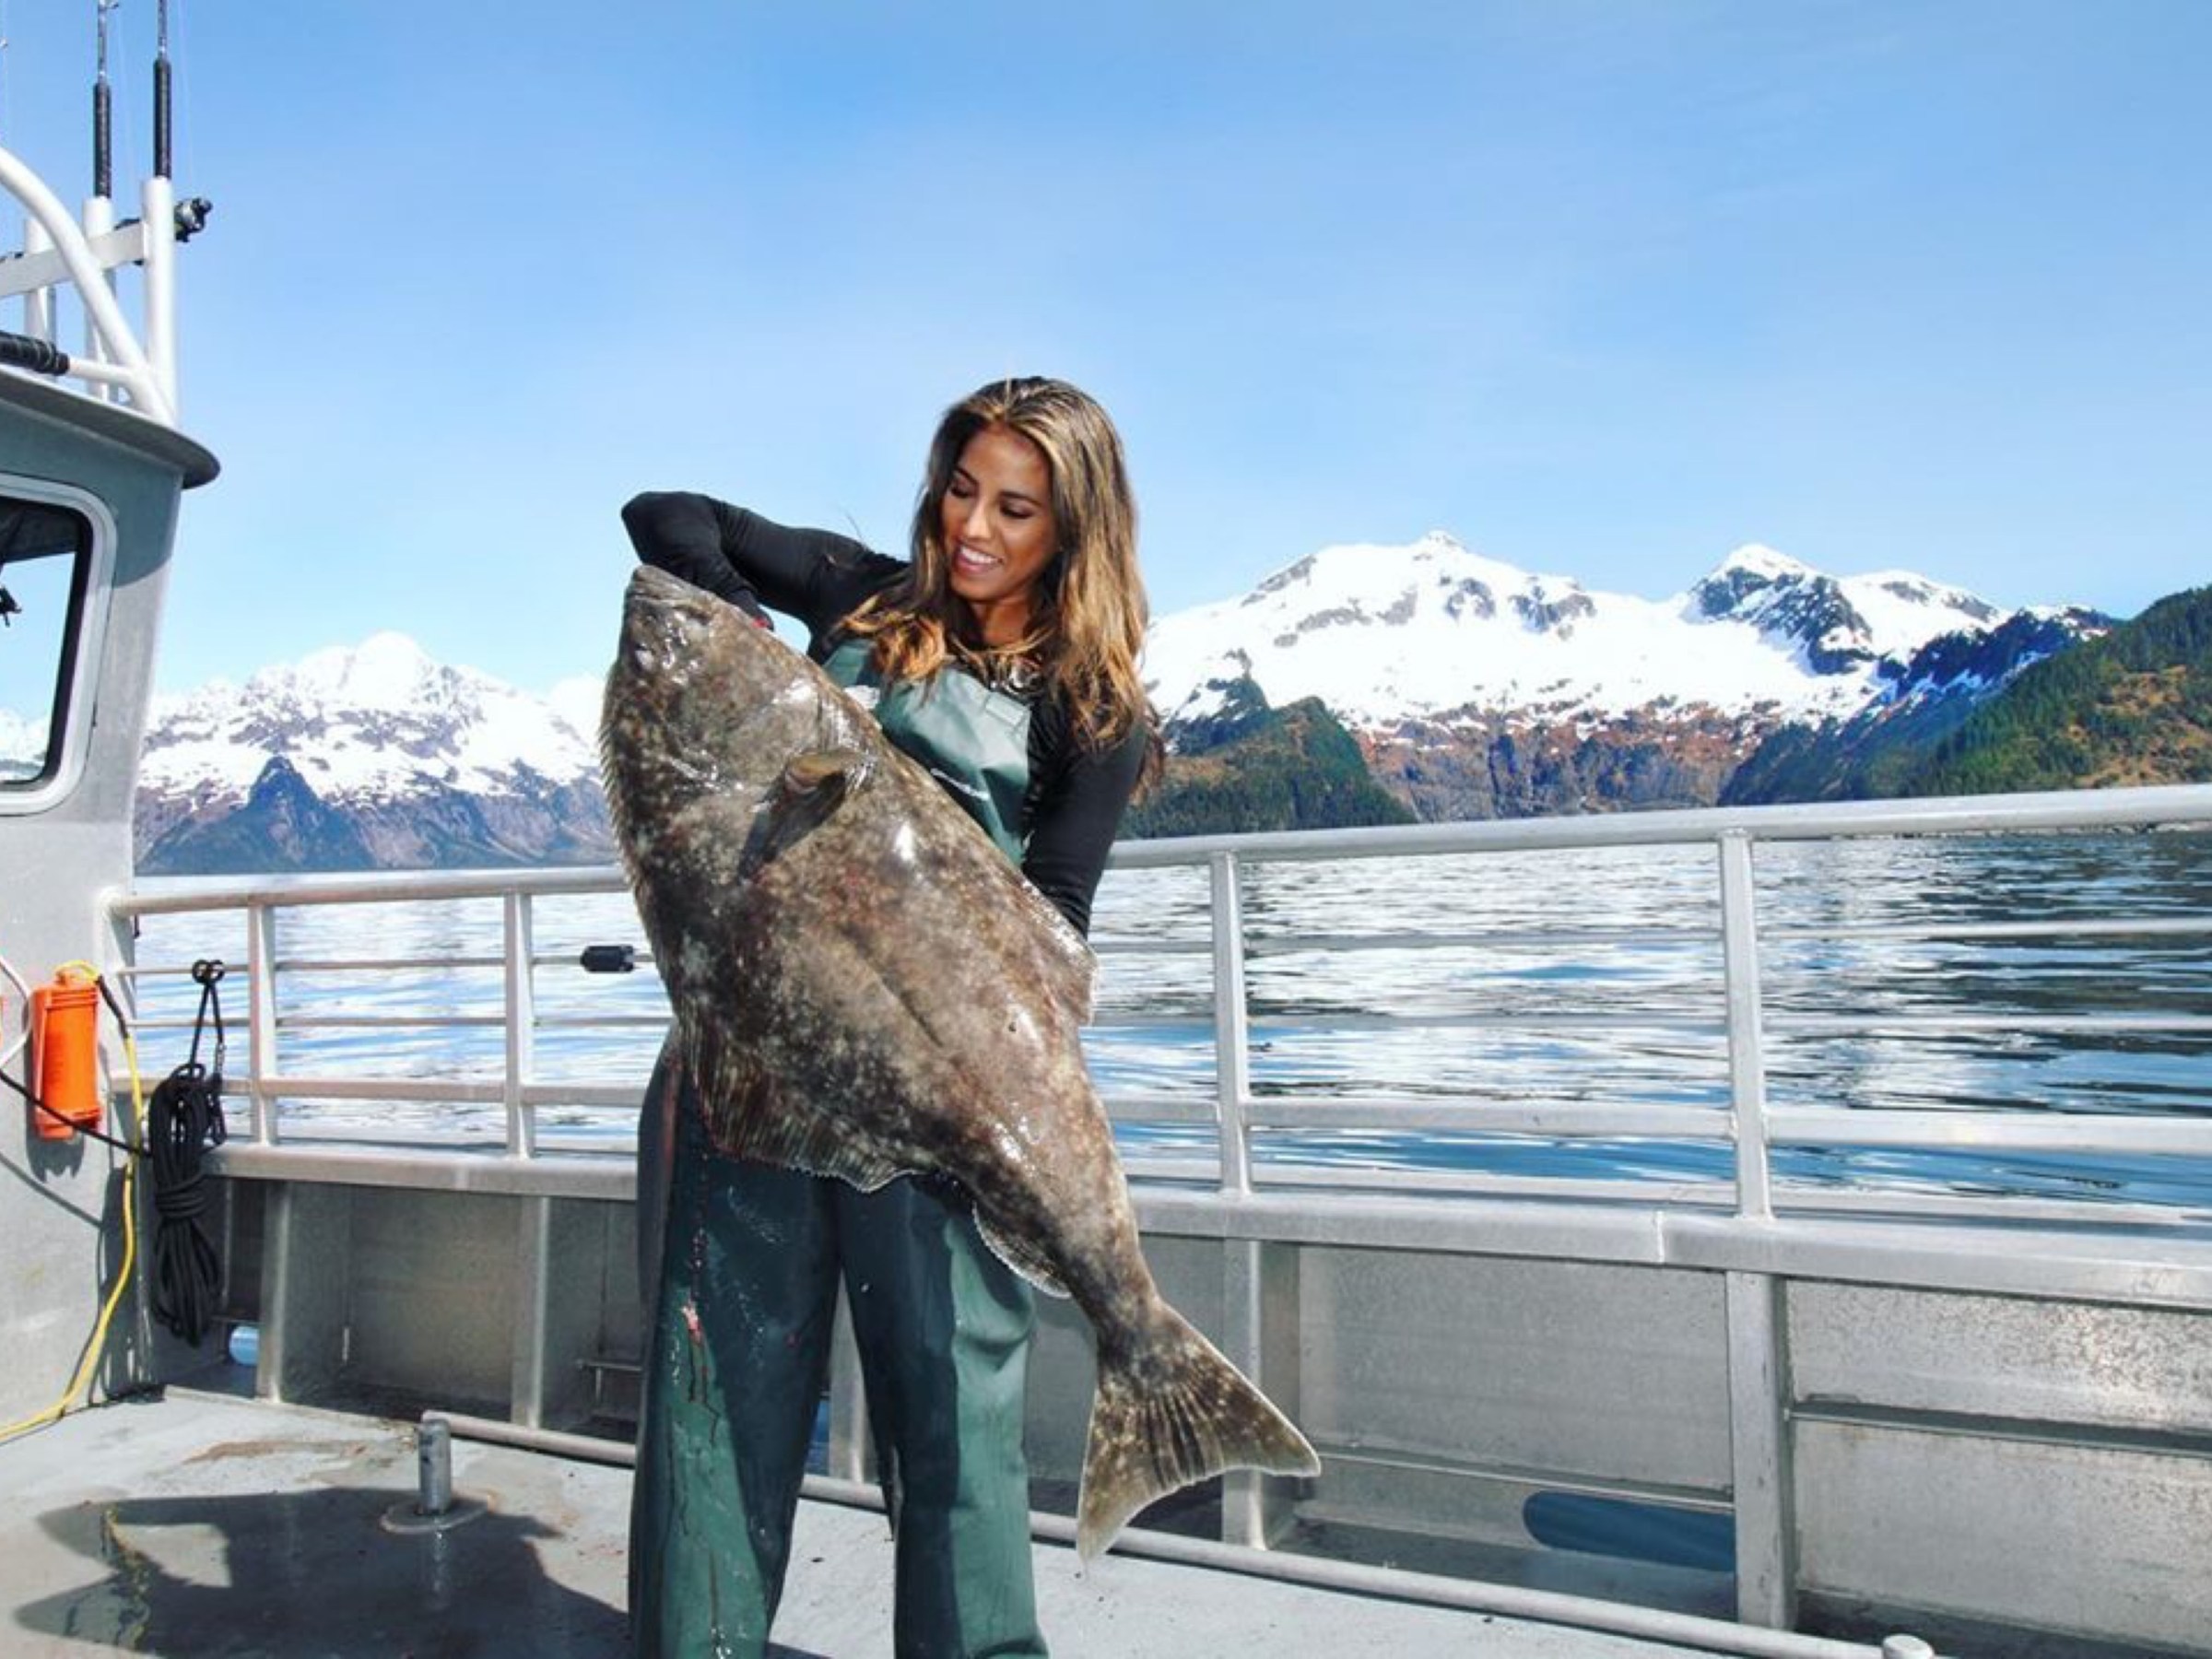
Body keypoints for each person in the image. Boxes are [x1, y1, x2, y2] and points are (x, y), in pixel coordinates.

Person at [621, 376, 1159, 1658]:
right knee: (716, 1393)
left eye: (1016, 509)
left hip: (934, 1102)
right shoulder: (865, 597)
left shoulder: (1096, 713)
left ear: (1073, 529)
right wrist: (751, 637)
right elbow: (664, 513)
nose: (973, 528)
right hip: (748, 1065)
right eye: (962, 490)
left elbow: (1052, 934)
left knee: (955, 1417)